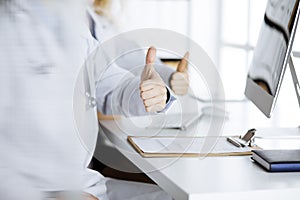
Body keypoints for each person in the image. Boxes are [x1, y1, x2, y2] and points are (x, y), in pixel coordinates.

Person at [0, 1, 173, 199]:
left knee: (171, 197)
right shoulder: (6, 30)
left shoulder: (72, 28)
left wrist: (150, 92)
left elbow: (112, 87)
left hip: (84, 183)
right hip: (30, 191)